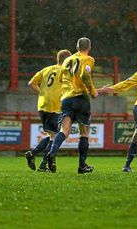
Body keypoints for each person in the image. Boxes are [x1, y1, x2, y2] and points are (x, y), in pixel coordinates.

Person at [46, 37, 98, 174]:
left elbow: (60, 79)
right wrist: (92, 91)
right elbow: (85, 75)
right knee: (84, 133)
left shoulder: (67, 60)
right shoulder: (88, 59)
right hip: (81, 98)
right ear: (90, 47)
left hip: (67, 99)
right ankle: (82, 166)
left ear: (76, 47)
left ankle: (52, 153)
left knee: (64, 130)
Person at [25, 49, 72, 172]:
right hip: (54, 106)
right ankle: (43, 165)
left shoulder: (46, 69)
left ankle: (33, 154)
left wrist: (43, 94)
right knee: (56, 136)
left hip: (42, 105)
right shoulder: (65, 72)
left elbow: (31, 83)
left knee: (52, 135)